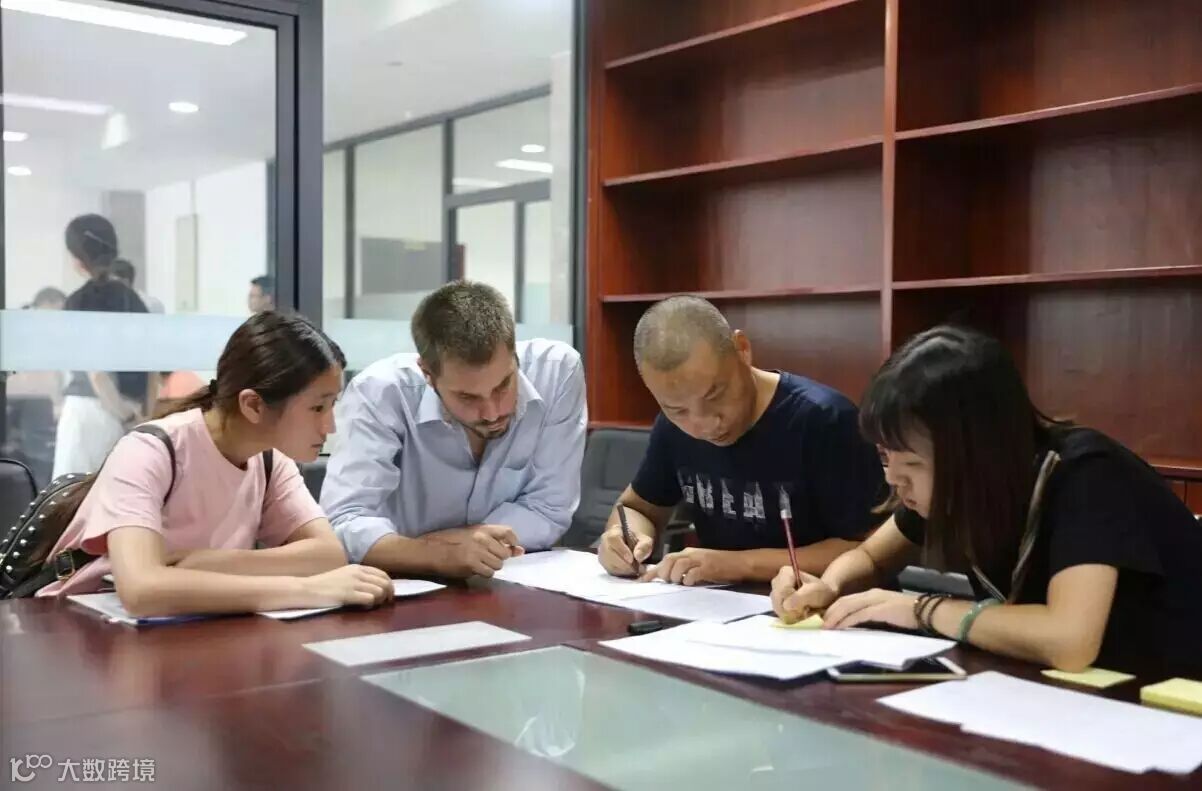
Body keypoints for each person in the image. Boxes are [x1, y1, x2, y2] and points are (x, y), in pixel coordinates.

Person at [770, 325, 1202, 676]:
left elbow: (1070, 641)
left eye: (912, 464)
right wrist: (829, 586)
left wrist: (923, 609)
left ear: (976, 454)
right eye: (886, 456)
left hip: (1169, 698)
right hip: (1067, 691)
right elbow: (871, 556)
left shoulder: (1086, 476)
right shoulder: (954, 491)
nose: (893, 479)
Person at [36, 311, 393, 616]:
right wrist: (309, 590)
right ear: (253, 405)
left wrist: (210, 561)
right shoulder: (149, 450)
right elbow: (142, 590)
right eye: (317, 407)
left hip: (180, 633)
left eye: (332, 406)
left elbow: (326, 554)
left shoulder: (270, 460)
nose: (329, 426)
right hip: (73, 632)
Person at [598, 296, 886, 585]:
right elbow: (637, 508)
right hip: (719, 605)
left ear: (742, 349)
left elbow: (871, 550)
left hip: (824, 606)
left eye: (715, 395)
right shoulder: (673, 429)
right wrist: (624, 538)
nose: (703, 424)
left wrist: (738, 565)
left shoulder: (824, 420)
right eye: (677, 410)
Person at [321, 280, 587, 579]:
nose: (492, 413)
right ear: (427, 373)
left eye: (503, 385)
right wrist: (438, 554)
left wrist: (463, 542)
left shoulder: (556, 372)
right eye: (468, 397)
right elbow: (344, 521)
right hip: (407, 583)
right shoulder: (379, 393)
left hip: (511, 575)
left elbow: (550, 508)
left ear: (514, 354)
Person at [53, 214, 159, 478]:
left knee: (74, 496)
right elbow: (152, 369)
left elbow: (98, 375)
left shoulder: (78, 302)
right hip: (133, 410)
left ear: (77, 260)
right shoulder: (135, 300)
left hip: (90, 415)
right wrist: (142, 418)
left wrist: (125, 417)